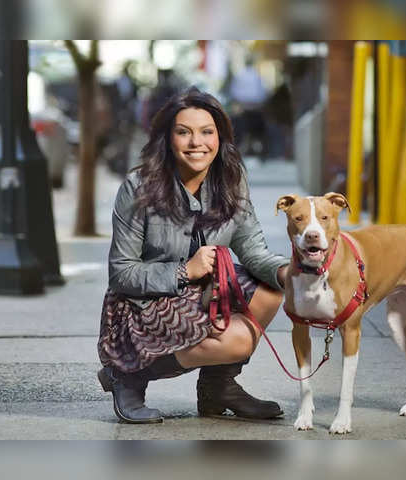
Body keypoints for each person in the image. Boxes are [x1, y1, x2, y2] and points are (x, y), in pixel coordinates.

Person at [97, 86, 289, 424]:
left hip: (201, 294)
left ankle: (218, 388)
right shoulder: (139, 186)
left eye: (206, 132)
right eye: (183, 132)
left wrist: (290, 272)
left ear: (220, 137)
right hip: (144, 303)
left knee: (271, 290)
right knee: (239, 340)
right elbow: (121, 273)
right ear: (167, 139)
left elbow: (254, 251)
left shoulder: (232, 178)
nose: (196, 143)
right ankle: (126, 375)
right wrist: (185, 270)